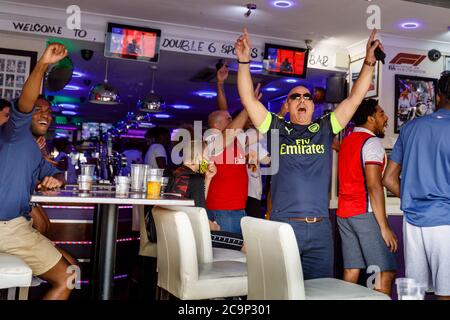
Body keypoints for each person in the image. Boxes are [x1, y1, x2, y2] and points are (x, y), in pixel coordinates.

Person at [235, 27, 383, 279]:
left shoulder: (325, 127)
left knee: (318, 292)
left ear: (313, 105)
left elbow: (355, 98)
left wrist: (369, 61)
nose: (302, 99)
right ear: (288, 104)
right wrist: (244, 61)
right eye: (296, 97)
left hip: (320, 228)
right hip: (284, 225)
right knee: (282, 291)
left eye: (307, 96)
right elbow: (249, 99)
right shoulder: (276, 128)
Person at [0, 43, 75, 300]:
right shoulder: (15, 134)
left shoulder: (33, 149)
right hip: (6, 229)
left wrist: (54, 180)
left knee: (73, 264)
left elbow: (58, 174)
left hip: (16, 227)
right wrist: (42, 65)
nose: (46, 115)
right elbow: (25, 103)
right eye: (39, 111)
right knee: (68, 278)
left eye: (50, 112)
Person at [383, 71, 450, 300]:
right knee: (446, 293)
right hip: (446, 222)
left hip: (412, 222)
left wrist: (413, 197)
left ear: (438, 96)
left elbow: (388, 179)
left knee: (412, 294)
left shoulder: (410, 128)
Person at [337, 99, 397, 295]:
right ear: (370, 118)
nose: (386, 118)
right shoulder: (371, 142)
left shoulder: (346, 141)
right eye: (381, 114)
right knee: (382, 273)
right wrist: (384, 227)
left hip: (345, 214)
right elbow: (374, 185)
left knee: (352, 270)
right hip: (365, 214)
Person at [216, 62, 270, 218]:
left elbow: (272, 125)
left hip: (248, 195)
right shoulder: (228, 138)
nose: (252, 120)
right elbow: (222, 113)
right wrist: (220, 84)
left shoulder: (249, 137)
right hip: (231, 200)